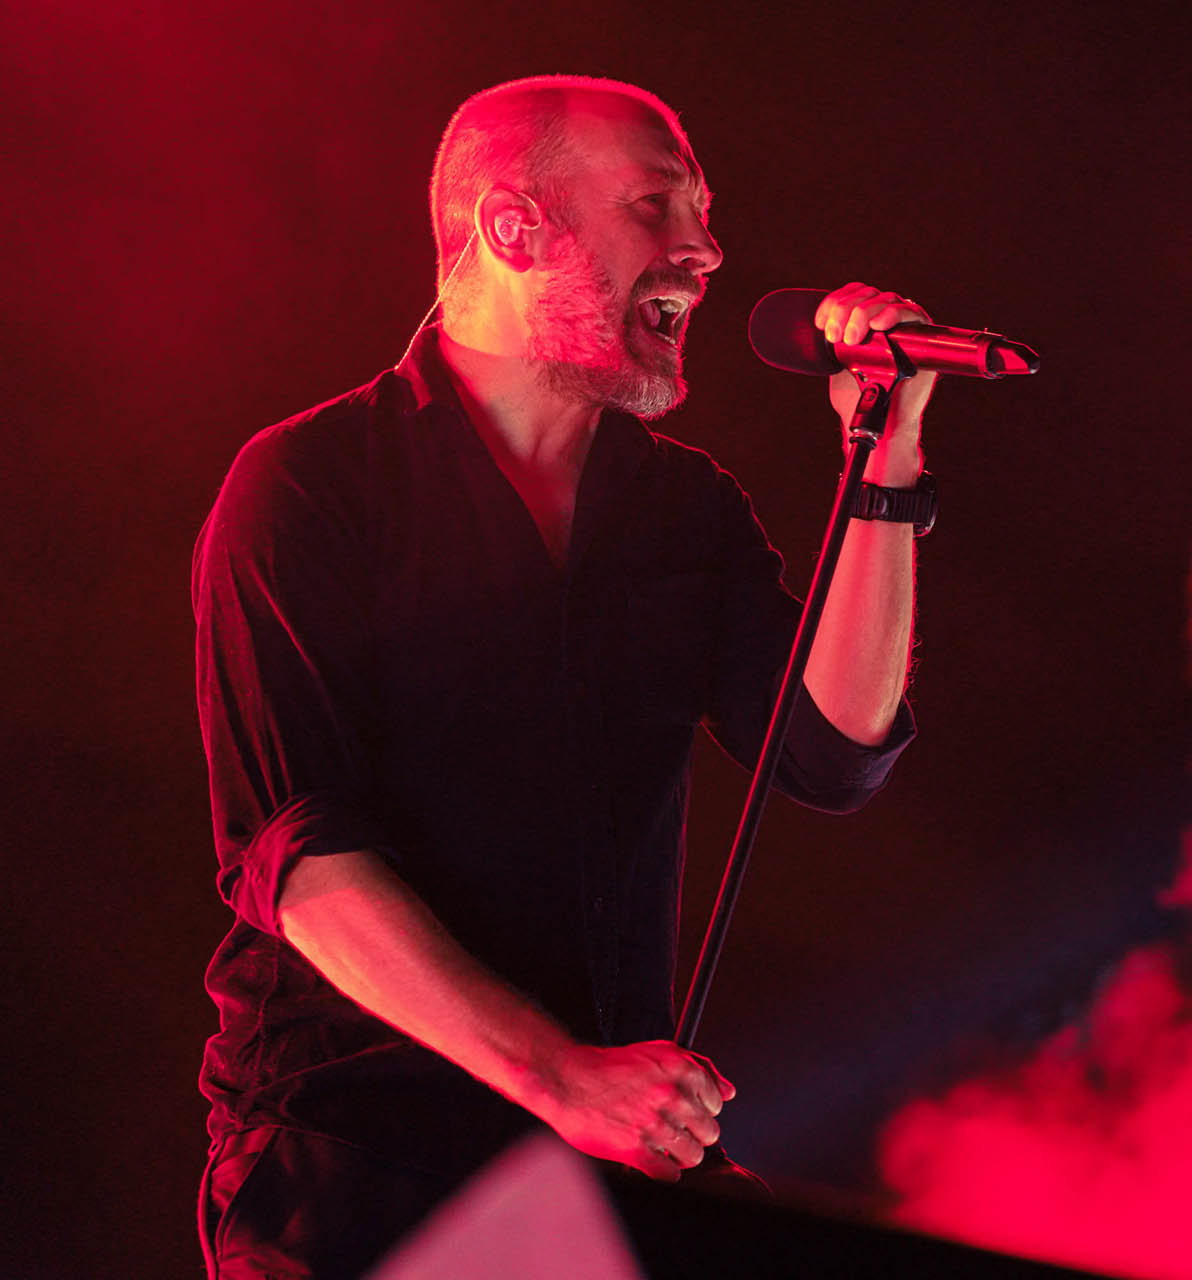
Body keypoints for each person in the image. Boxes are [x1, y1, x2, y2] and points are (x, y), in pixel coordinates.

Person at [193, 75, 935, 1278]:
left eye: (703, 214)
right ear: (513, 227)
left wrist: (886, 457)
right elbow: (300, 858)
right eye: (655, 205)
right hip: (357, 1157)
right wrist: (562, 1077)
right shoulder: (311, 485)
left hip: (599, 1153)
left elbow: (832, 751)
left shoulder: (682, 510)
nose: (705, 252)